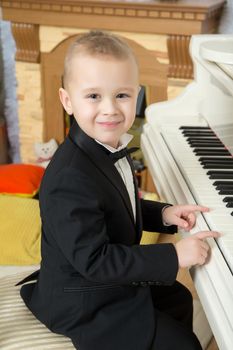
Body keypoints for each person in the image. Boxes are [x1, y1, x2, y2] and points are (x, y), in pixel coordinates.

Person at [18, 30, 219, 350]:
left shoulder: (105, 148)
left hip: (105, 279)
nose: (110, 108)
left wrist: (165, 214)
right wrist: (175, 254)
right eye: (94, 96)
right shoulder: (70, 178)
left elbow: (119, 206)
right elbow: (96, 262)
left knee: (178, 297)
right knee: (183, 344)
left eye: (122, 95)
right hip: (83, 300)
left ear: (137, 95)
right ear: (67, 101)